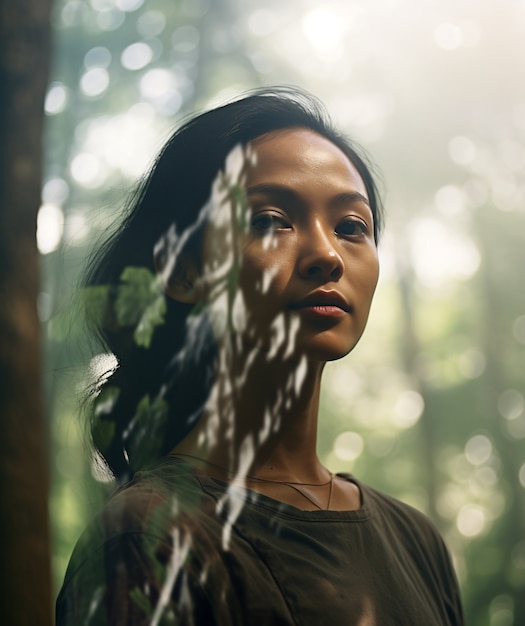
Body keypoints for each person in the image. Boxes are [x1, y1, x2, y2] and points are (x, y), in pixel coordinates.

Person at [56, 86, 464, 625]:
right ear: (181, 271)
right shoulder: (147, 538)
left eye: (351, 227)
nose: (326, 255)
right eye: (269, 219)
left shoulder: (416, 541)